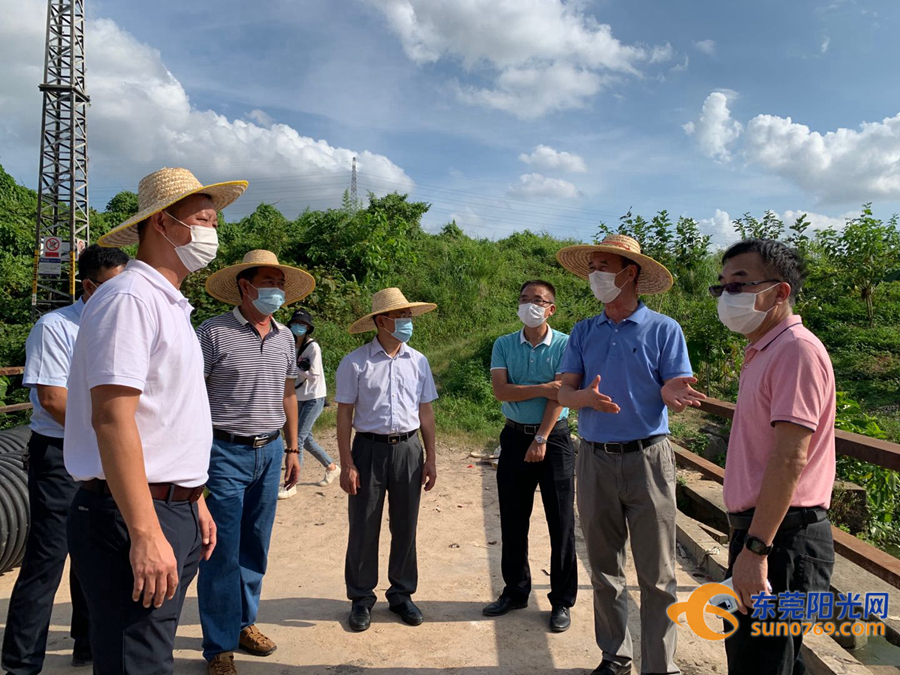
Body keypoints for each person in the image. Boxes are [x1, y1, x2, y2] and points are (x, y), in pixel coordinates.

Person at [63, 167, 247, 674]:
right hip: (133, 513)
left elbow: (166, 417)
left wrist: (193, 496)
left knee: (148, 653)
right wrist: (145, 531)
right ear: (163, 223)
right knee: (137, 661)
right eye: (203, 221)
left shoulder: (170, 305)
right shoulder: (129, 299)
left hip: (170, 506)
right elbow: (112, 419)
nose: (212, 233)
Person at [556, 234, 705, 675]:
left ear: (630, 272)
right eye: (591, 268)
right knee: (604, 569)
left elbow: (674, 386)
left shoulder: (664, 329)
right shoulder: (584, 331)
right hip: (595, 459)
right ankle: (615, 657)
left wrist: (671, 392)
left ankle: (660, 665)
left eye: (602, 267)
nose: (594, 276)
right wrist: (584, 399)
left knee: (658, 573)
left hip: (648, 459)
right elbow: (564, 392)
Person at [2, 244, 127, 673]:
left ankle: (86, 643)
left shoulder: (121, 327)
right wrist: (113, 429)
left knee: (97, 551)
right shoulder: (56, 327)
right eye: (113, 286)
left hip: (107, 451)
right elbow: (54, 400)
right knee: (48, 557)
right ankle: (21, 663)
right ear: (88, 286)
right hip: (60, 454)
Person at [716, 239, 836, 675]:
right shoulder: (764, 350)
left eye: (740, 283)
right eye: (722, 286)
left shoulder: (795, 351)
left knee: (761, 663)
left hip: (782, 540)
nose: (727, 295)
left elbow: (790, 458)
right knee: (773, 661)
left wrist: (756, 550)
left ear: (780, 292)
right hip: (767, 534)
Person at [196, 249, 314, 674]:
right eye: (269, 282)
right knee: (220, 550)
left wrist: (293, 448)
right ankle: (219, 647)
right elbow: (191, 395)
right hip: (223, 452)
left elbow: (288, 395)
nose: (277, 290)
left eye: (280, 283)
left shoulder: (284, 337)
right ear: (245, 286)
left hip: (270, 452)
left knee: (254, 546)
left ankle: (244, 623)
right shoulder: (212, 333)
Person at [335, 288, 439, 632]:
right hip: (368, 449)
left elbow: (425, 411)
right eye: (401, 316)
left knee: (405, 523)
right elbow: (344, 414)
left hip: (409, 449)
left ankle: (401, 594)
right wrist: (347, 463)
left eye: (409, 316)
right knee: (364, 524)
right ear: (381, 321)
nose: (408, 322)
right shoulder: (356, 362)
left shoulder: (419, 361)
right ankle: (361, 597)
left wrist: (431, 457)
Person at [482, 280, 576, 633]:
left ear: (551, 309)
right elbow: (500, 391)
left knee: (561, 523)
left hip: (555, 440)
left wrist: (541, 437)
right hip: (513, 437)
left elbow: (560, 396)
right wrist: (542, 388)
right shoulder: (504, 344)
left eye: (538, 300)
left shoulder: (566, 344)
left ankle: (561, 600)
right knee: (513, 518)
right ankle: (515, 591)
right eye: (524, 299)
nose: (530, 305)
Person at [284, 308, 338, 496]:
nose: (299, 326)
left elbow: (314, 374)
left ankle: (291, 484)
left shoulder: (312, 347)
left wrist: (294, 369)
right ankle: (331, 467)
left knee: (297, 439)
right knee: (306, 439)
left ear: (308, 328)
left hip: (314, 397)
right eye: (296, 323)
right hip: (298, 396)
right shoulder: (289, 345)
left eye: (303, 324)